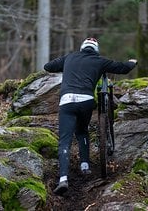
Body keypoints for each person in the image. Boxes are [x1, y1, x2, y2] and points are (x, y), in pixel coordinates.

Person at [44, 37, 137, 195]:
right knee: (82, 131)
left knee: (64, 141)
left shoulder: (70, 57)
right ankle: (85, 166)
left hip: (67, 101)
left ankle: (63, 179)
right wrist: (132, 61)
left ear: (82, 48)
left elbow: (48, 67)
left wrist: (66, 64)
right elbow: (123, 68)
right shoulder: (99, 60)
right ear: (96, 49)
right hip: (86, 101)